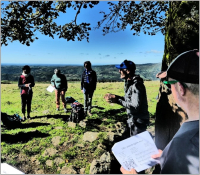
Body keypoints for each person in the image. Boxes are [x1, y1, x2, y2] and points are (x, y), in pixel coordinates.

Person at [120, 50, 199, 174]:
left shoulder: (185, 144)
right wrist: (168, 158)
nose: (168, 88)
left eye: (168, 83)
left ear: (180, 88)